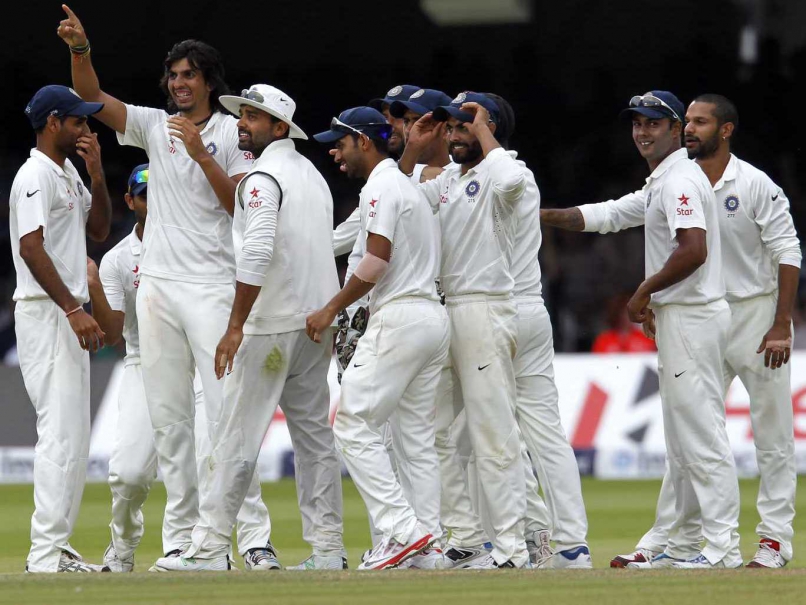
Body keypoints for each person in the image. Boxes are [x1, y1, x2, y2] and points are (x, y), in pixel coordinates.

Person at [56, 5, 275, 568]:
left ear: (208, 82)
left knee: (225, 418)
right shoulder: (152, 124)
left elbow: (238, 208)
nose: (179, 84)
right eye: (173, 76)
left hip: (211, 287)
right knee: (170, 421)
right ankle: (184, 542)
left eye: (189, 76)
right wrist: (81, 50)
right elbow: (93, 98)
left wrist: (201, 155)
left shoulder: (233, 132)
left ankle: (248, 542)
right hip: (156, 287)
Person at [541, 91, 741, 569]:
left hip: (693, 318)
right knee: (682, 443)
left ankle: (723, 549)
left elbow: (694, 249)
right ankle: (676, 542)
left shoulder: (679, 182)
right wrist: (535, 214)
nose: (642, 132)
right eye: (636, 124)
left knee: (701, 439)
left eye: (653, 123)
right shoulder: (664, 181)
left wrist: (643, 291)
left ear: (676, 129)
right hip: (685, 318)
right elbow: (608, 215)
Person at [154, 85, 344, 572]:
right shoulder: (313, 176)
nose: (242, 122)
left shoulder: (260, 178)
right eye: (241, 114)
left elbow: (257, 251)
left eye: (254, 117)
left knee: (235, 436)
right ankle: (327, 549)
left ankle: (209, 547)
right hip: (312, 327)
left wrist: (235, 324)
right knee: (315, 442)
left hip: (271, 326)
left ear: (280, 128)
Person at [612, 94, 800, 569]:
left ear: (727, 129)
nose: (690, 129)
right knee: (687, 435)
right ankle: (672, 539)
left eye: (700, 122)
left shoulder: (755, 183)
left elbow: (788, 250)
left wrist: (782, 322)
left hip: (756, 317)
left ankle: (775, 541)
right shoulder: (680, 181)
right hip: (705, 315)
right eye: (687, 121)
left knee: (773, 435)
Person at [307, 106, 449, 570]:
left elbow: (375, 261)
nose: (335, 151)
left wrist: (331, 306)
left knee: (351, 423)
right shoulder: (403, 183)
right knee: (415, 440)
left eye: (341, 142)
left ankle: (403, 531)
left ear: (363, 142)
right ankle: (427, 548)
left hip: (400, 315)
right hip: (430, 317)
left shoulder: (381, 188)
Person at [400, 92, 530, 569]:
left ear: (487, 126)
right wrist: (413, 151)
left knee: (493, 432)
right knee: (431, 431)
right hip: (444, 310)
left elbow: (513, 183)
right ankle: (468, 536)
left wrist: (482, 130)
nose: (454, 135)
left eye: (464, 126)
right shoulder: (451, 178)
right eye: (451, 127)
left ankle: (512, 548)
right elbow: (396, 200)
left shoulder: (507, 172)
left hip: (485, 309)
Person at [10, 84, 111, 572]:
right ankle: (46, 553)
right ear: (53, 122)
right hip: (47, 312)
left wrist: (95, 171)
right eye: (78, 121)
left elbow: (98, 231)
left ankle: (57, 548)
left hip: (65, 311)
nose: (86, 129)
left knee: (74, 435)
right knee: (60, 433)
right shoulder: (35, 175)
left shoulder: (67, 171)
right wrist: (74, 309)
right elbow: (31, 248)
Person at [591, 293, 657, 353]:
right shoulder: (603, 340)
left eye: (630, 313)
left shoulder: (646, 337)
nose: (627, 317)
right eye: (623, 313)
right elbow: (597, 362)